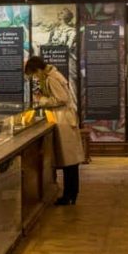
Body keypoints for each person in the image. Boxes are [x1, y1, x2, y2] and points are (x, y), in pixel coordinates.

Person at [25, 54, 84, 205]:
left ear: (38, 69)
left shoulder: (51, 78)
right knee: (70, 161)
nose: (35, 77)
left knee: (69, 161)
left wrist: (42, 100)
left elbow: (62, 98)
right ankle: (71, 193)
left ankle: (69, 195)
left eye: (34, 74)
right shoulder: (52, 75)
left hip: (63, 119)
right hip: (64, 119)